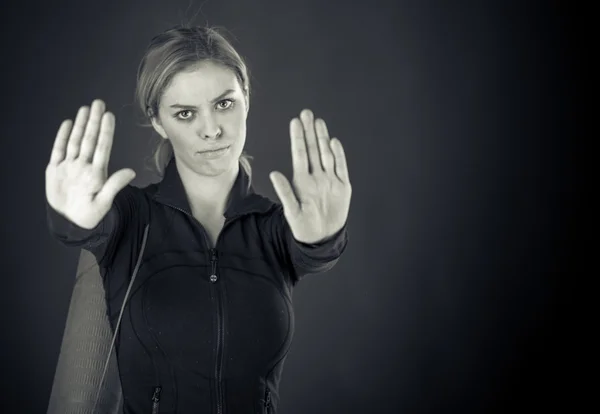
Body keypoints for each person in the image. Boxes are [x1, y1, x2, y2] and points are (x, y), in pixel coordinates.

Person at [45, 25, 351, 414]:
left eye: (224, 104)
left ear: (246, 98)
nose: (212, 130)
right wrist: (71, 219)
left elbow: (313, 252)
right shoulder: (130, 217)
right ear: (158, 121)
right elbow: (85, 230)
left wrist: (323, 237)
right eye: (186, 114)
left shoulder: (274, 226)